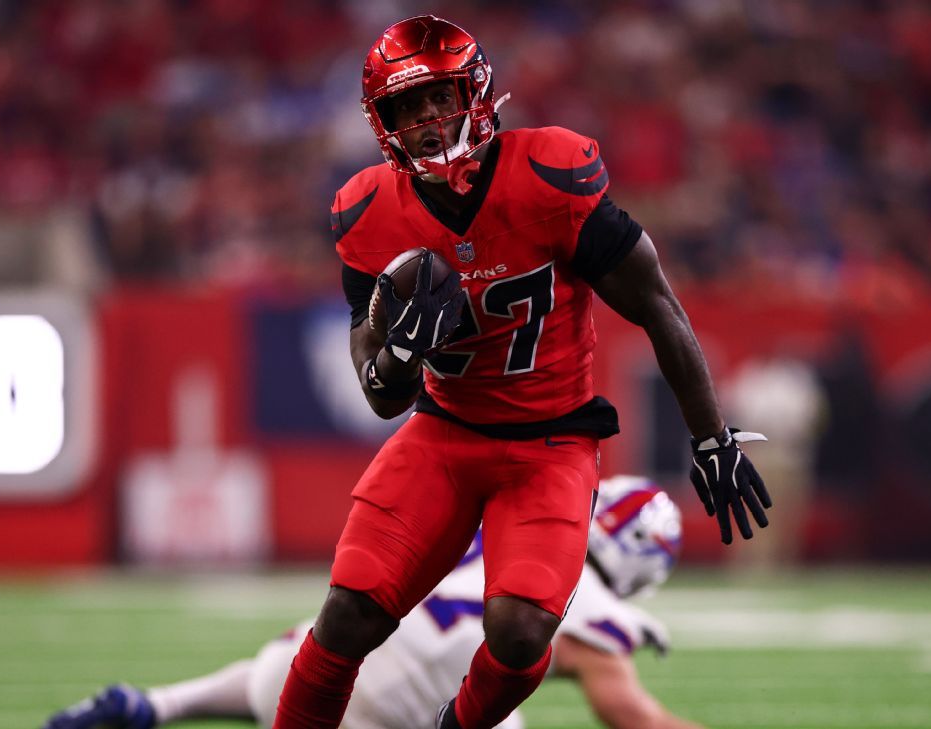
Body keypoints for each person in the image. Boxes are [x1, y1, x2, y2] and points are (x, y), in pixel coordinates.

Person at [281, 16, 771, 729]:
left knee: (521, 630)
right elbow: (381, 395)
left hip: (551, 440)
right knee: (349, 612)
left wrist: (710, 437)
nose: (427, 120)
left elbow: (658, 306)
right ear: (383, 123)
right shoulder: (368, 210)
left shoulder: (549, 175)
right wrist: (403, 352)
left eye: (439, 97)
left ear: (476, 93)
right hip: (445, 434)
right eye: (408, 106)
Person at [43, 477, 706, 729]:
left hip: (299, 665)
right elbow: (630, 717)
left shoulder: (493, 532)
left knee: (317, 664)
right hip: (365, 714)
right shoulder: (584, 607)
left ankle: (158, 705)